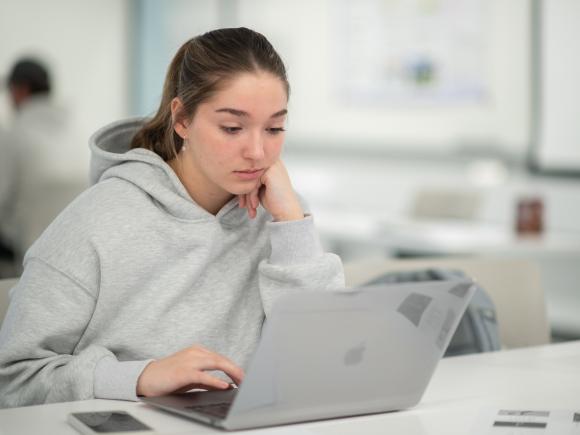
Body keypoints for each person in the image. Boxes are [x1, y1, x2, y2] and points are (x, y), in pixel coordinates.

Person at [0, 27, 344, 408]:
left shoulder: (282, 216)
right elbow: (13, 379)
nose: (258, 152)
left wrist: (292, 225)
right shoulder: (95, 222)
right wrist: (140, 377)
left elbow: (329, 364)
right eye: (232, 128)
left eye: (275, 128)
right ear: (181, 119)